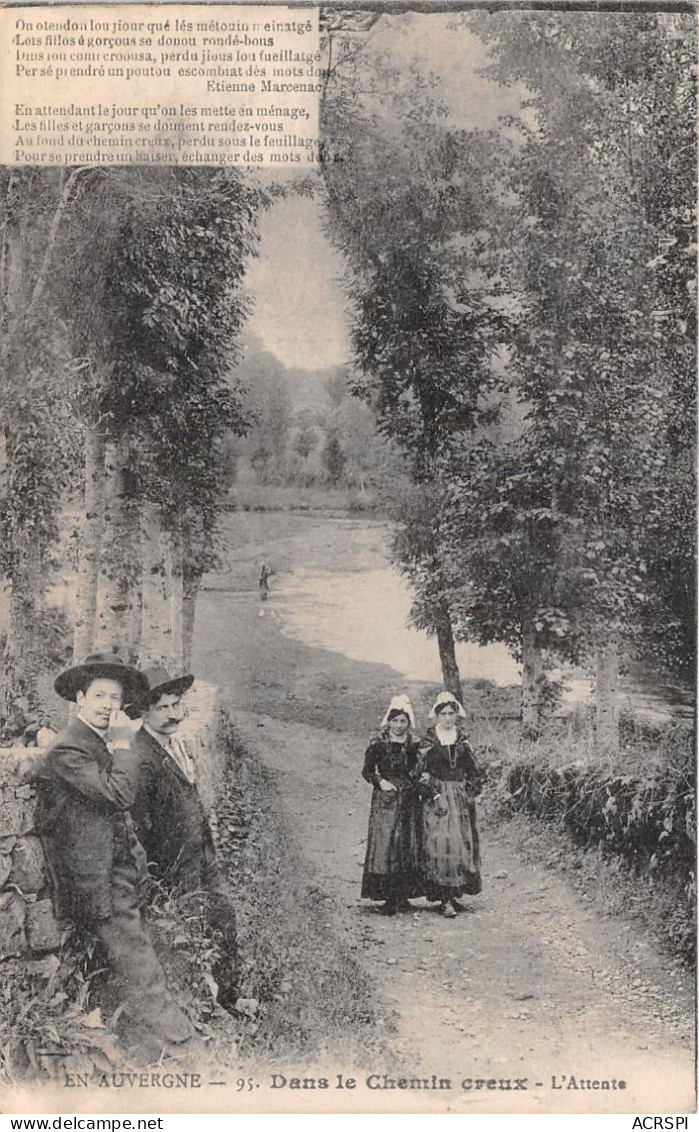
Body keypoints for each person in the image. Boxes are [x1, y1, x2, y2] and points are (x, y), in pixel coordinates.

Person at [34, 653, 194, 1056]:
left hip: (116, 877)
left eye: (116, 698)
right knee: (143, 971)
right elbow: (118, 794)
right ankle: (190, 1051)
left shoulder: (92, 743)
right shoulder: (69, 749)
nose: (109, 705)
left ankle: (145, 1050)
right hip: (97, 884)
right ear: (79, 699)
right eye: (100, 696)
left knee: (131, 968)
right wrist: (124, 743)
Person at [128, 666, 239, 1009]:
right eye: (163, 708)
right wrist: (159, 875)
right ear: (144, 711)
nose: (174, 714)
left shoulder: (175, 745)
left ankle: (228, 999)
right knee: (188, 934)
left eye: (177, 705)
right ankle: (200, 1006)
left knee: (223, 917)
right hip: (174, 868)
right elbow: (141, 826)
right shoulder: (140, 757)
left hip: (201, 855)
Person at [416, 691, 485, 919]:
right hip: (437, 796)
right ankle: (443, 897)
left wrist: (469, 791)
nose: (447, 718)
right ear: (437, 715)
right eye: (443, 714)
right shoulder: (428, 742)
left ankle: (454, 892)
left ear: (457, 714)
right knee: (439, 843)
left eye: (451, 713)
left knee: (460, 844)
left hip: (459, 797)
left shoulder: (463, 740)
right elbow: (420, 773)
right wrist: (433, 793)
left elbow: (475, 771)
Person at [361, 695, 421, 915]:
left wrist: (414, 782)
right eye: (395, 721)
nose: (398, 725)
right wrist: (381, 782)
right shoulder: (378, 743)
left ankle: (403, 896)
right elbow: (367, 771)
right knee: (386, 843)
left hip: (408, 799)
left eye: (403, 721)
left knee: (407, 843)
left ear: (408, 723)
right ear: (389, 721)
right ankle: (387, 897)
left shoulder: (414, 745)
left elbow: (419, 770)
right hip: (385, 800)